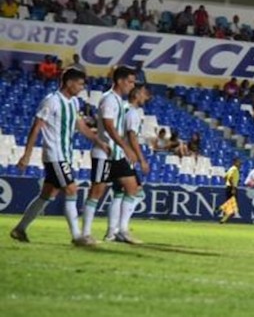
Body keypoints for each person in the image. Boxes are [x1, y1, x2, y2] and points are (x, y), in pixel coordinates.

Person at [10, 68, 109, 245]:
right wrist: (27, 155)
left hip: (65, 155)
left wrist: (98, 141)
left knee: (47, 194)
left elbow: (81, 126)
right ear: (69, 83)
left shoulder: (74, 103)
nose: (81, 88)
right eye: (79, 84)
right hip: (55, 155)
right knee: (71, 189)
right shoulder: (51, 101)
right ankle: (78, 236)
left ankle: (20, 229)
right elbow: (36, 127)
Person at [82, 66, 138, 245]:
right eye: (130, 82)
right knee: (97, 191)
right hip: (104, 152)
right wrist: (126, 147)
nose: (132, 85)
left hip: (116, 153)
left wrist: (123, 149)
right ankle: (85, 233)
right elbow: (108, 126)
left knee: (132, 187)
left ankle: (122, 231)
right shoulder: (109, 99)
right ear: (120, 81)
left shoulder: (118, 101)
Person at [106, 84, 150, 242]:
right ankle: (122, 229)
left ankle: (112, 231)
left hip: (116, 154)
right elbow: (132, 136)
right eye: (145, 94)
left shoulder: (122, 108)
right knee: (136, 191)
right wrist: (141, 158)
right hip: (125, 156)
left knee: (119, 193)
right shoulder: (132, 112)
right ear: (137, 94)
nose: (147, 97)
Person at [220, 158, 241, 224]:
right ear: (235, 162)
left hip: (229, 187)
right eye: (238, 162)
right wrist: (233, 188)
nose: (240, 164)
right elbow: (230, 178)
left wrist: (227, 184)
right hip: (232, 188)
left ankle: (223, 219)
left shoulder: (230, 169)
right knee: (233, 205)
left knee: (230, 204)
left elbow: (225, 177)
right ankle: (220, 209)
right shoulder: (234, 169)